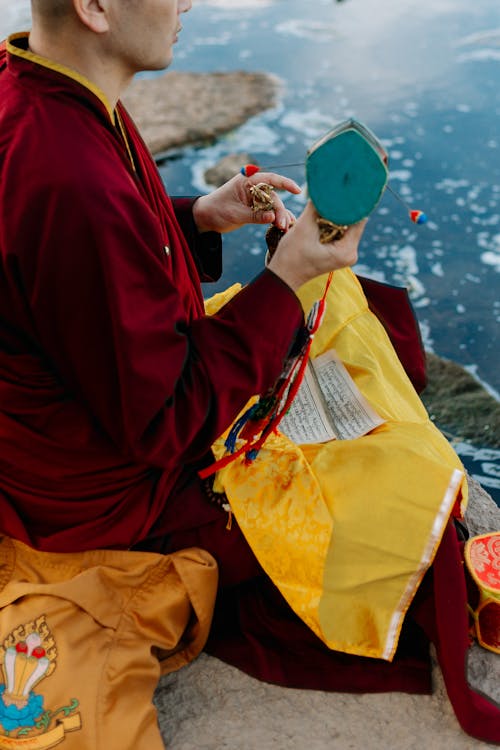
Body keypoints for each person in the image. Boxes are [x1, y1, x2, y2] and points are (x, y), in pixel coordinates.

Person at [0, 1, 498, 747]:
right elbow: (169, 421)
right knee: (385, 514)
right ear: (96, 8)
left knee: (334, 341)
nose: (189, 1)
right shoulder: (70, 176)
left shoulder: (34, 90)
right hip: (117, 505)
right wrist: (288, 278)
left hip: (97, 419)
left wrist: (198, 214)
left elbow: (91, 252)